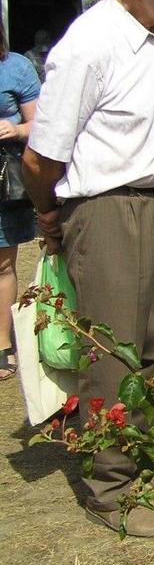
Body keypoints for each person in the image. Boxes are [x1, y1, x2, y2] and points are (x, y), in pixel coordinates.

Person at [22, 0, 154, 537]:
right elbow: (40, 157)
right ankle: (111, 485)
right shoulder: (89, 45)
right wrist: (51, 219)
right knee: (115, 351)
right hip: (103, 209)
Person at [0, 19, 39, 382]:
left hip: (3, 180)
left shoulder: (16, 66)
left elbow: (39, 122)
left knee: (2, 265)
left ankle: (1, 344)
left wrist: (15, 129)